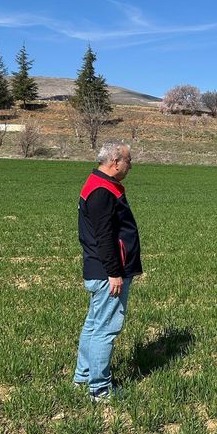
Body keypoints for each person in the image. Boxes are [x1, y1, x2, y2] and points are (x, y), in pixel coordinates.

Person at [74, 141, 142, 401]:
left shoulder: (99, 184)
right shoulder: (102, 191)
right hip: (107, 273)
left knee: (93, 325)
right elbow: (104, 237)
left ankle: (83, 377)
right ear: (115, 162)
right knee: (105, 329)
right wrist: (114, 273)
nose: (130, 165)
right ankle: (100, 389)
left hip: (99, 269)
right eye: (128, 160)